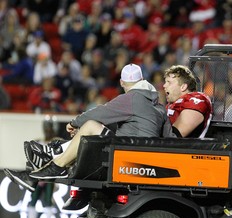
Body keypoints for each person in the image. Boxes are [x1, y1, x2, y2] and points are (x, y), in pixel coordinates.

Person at [5, 63, 174, 188]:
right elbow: (170, 137)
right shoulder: (159, 106)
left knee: (91, 126)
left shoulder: (131, 98)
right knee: (91, 133)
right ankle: (46, 161)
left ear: (122, 83)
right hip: (145, 158)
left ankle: (55, 162)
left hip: (129, 157)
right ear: (142, 80)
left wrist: (74, 122)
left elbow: (100, 112)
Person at [24, 116, 60, 218]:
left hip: (49, 178)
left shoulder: (57, 143)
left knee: (48, 202)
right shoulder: (38, 142)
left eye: (49, 128)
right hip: (38, 177)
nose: (47, 130)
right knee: (32, 201)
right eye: (46, 128)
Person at [163, 65, 212, 138]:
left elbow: (174, 136)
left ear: (183, 87)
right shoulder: (172, 104)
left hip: (184, 148)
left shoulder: (195, 100)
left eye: (169, 82)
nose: (164, 86)